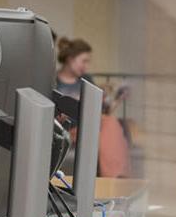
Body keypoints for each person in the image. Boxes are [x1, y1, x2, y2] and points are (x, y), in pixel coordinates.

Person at [52, 36, 130, 178]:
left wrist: (114, 101)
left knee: (110, 122)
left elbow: (100, 110)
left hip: (91, 125)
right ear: (70, 59)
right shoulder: (54, 81)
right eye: (84, 61)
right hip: (69, 128)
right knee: (109, 125)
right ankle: (115, 177)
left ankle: (115, 177)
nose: (87, 66)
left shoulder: (87, 80)